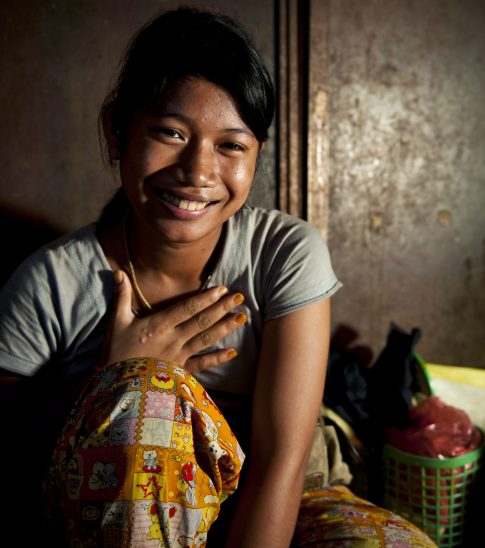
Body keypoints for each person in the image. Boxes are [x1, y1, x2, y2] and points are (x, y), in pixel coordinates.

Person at [0, 6, 437, 547]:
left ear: (255, 156)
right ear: (118, 131)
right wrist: (112, 378)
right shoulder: (48, 285)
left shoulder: (283, 254)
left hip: (288, 503)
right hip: (113, 523)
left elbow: (281, 460)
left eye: (230, 145)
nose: (198, 173)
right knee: (142, 391)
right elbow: (9, 458)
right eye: (170, 133)